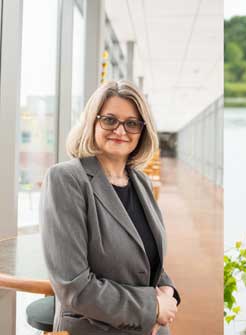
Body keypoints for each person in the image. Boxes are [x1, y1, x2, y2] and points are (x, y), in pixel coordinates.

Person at [40, 80, 180, 335]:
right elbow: (74, 287)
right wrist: (152, 306)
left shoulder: (141, 182)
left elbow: (145, 255)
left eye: (132, 123)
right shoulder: (66, 179)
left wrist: (167, 290)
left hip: (154, 328)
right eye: (109, 120)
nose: (120, 130)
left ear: (142, 131)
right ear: (92, 122)